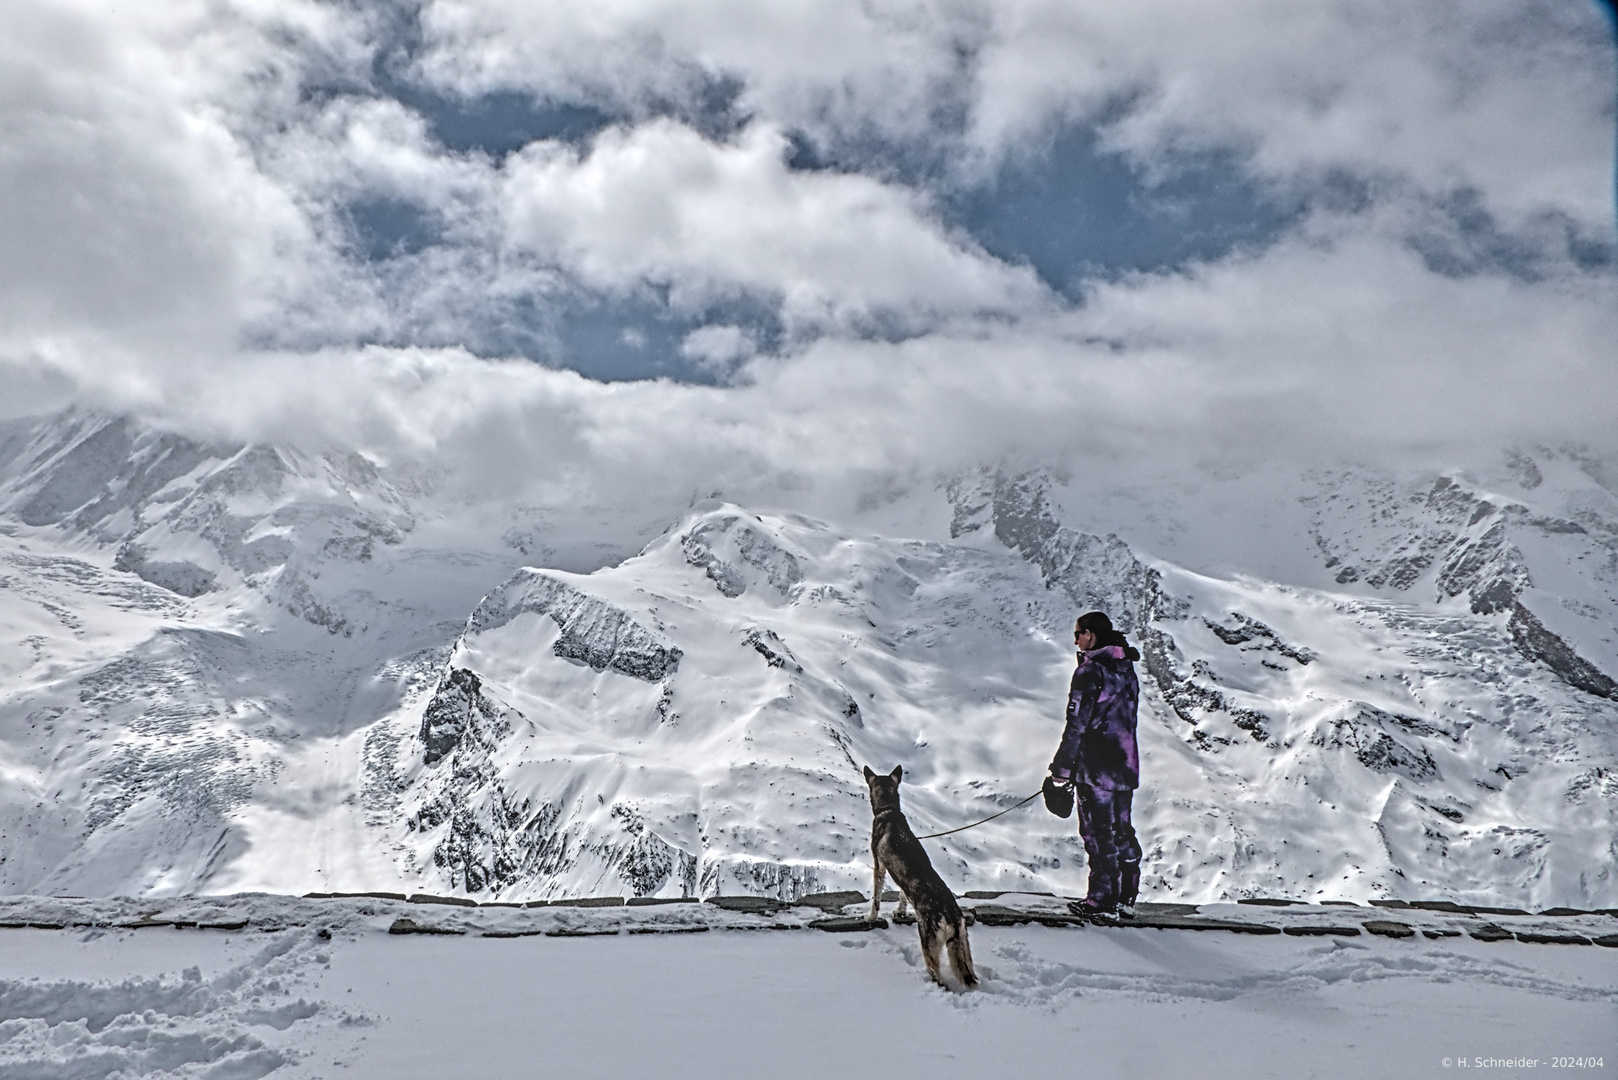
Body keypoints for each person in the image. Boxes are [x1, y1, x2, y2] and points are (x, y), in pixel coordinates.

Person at [1046, 610, 1143, 916]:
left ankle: (1102, 902)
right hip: (1125, 765)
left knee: (1098, 835)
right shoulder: (1126, 669)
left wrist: (1061, 771)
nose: (1075, 640)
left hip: (1095, 768)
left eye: (1078, 634)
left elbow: (1077, 725)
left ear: (1090, 634)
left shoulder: (1089, 673)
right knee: (1121, 831)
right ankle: (1127, 897)